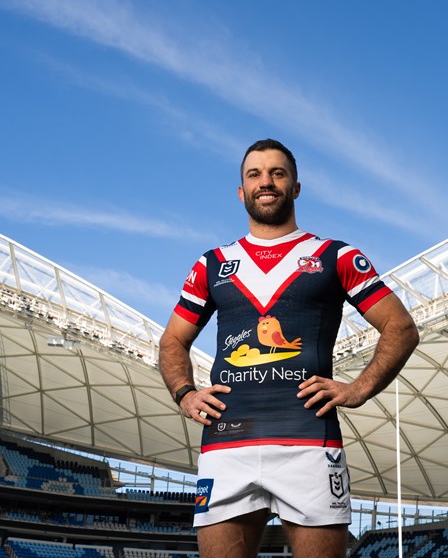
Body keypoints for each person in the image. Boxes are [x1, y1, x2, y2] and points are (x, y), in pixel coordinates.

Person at [159, 139, 420, 558]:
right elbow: (173, 339)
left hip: (309, 445)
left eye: (277, 173)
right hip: (226, 446)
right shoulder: (212, 263)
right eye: (255, 175)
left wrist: (359, 388)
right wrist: (184, 393)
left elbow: (400, 327)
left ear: (295, 187)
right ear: (241, 191)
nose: (266, 182)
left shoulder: (335, 256)